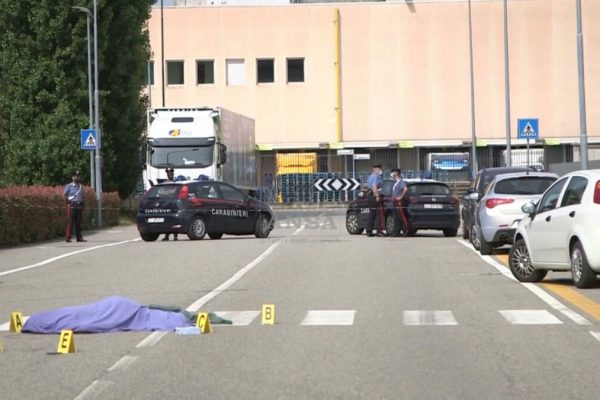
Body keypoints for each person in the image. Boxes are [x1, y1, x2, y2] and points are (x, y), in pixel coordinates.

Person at [64, 171, 86, 243]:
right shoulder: (69, 186)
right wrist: (67, 201)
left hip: (79, 205)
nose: (77, 177)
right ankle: (68, 237)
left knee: (78, 223)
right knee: (70, 222)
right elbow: (65, 195)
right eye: (75, 176)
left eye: (78, 176)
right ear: (72, 177)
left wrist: (83, 204)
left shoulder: (81, 186)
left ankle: (79, 237)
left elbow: (83, 196)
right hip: (71, 205)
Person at [365, 164, 385, 237]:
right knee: (379, 214)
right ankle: (379, 231)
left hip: (370, 196)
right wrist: (377, 196)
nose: (380, 170)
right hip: (374, 196)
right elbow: (374, 186)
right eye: (379, 169)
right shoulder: (376, 176)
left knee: (371, 214)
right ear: (375, 169)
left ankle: (369, 231)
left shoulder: (370, 176)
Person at [391, 169, 409, 237]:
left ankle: (405, 231)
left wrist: (401, 197)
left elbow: (405, 189)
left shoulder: (401, 181)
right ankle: (396, 232)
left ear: (397, 173)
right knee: (396, 217)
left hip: (399, 202)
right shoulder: (395, 182)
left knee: (401, 216)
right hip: (395, 201)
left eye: (393, 173)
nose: (392, 175)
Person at [162, 167, 178, 241]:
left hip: (174, 203)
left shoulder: (176, 182)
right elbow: (163, 192)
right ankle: (167, 235)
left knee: (174, 219)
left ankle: (175, 236)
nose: (170, 174)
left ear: (173, 173)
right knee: (166, 219)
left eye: (171, 173)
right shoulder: (165, 183)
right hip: (167, 203)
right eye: (168, 173)